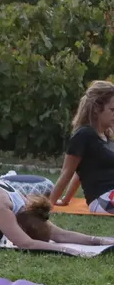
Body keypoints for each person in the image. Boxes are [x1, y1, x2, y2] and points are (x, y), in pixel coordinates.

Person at [51, 81, 114, 213]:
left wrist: (66, 199)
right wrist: (48, 205)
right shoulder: (84, 134)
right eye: (112, 110)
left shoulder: (105, 136)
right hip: (103, 200)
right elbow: (67, 172)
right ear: (97, 109)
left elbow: (80, 173)